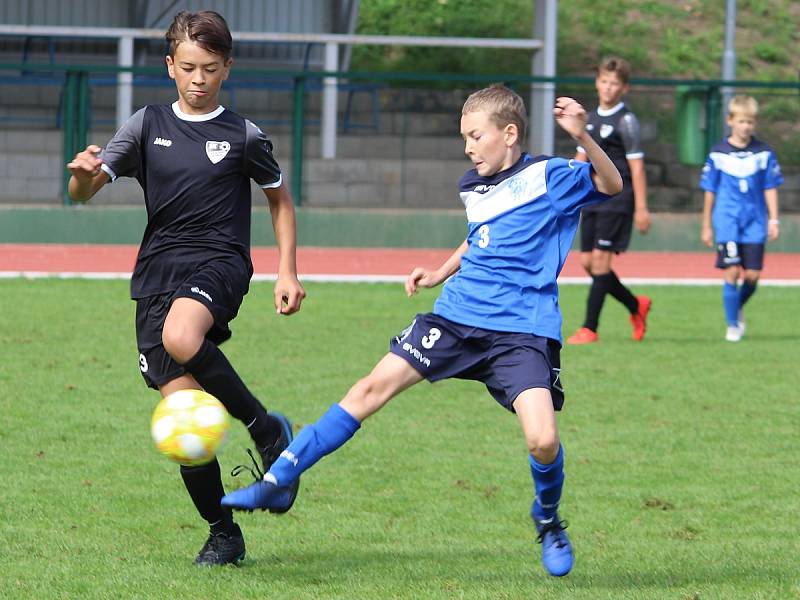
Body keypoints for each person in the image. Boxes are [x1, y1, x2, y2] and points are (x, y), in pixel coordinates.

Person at [222, 85, 622, 578]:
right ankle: (280, 478)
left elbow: (611, 185)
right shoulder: (473, 184)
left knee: (542, 440)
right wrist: (440, 271)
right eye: (465, 138)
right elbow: (481, 235)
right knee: (370, 388)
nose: (468, 147)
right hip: (455, 318)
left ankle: (547, 518)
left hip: (521, 330)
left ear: (510, 133)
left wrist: (582, 136)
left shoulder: (550, 177)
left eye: (476, 136)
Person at [66, 11, 306, 566]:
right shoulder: (146, 125)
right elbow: (85, 192)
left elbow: (279, 200)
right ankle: (224, 533)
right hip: (156, 275)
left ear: (228, 68)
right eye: (189, 68)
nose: (199, 79)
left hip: (219, 263)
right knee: (184, 424)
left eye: (211, 68)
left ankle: (267, 431)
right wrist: (82, 174)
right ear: (170, 66)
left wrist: (287, 269)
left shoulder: (242, 134)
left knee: (182, 333)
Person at [566, 56, 652, 345]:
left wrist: (641, 207)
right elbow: (581, 157)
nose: (608, 87)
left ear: (624, 88)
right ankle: (634, 305)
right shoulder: (588, 118)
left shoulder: (626, 121)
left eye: (615, 83)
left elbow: (637, 167)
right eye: (604, 81)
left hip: (618, 198)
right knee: (589, 263)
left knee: (601, 262)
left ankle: (589, 328)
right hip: (592, 198)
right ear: (597, 82)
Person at [700, 95, 783, 342]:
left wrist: (774, 219)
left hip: (755, 221)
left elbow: (770, 187)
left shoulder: (764, 153)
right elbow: (709, 191)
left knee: (753, 275)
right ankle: (733, 325)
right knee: (732, 271)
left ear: (754, 123)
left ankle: (735, 304)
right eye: (741, 121)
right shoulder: (718, 153)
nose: (745, 126)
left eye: (750, 122)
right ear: (730, 121)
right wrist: (706, 225)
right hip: (727, 220)